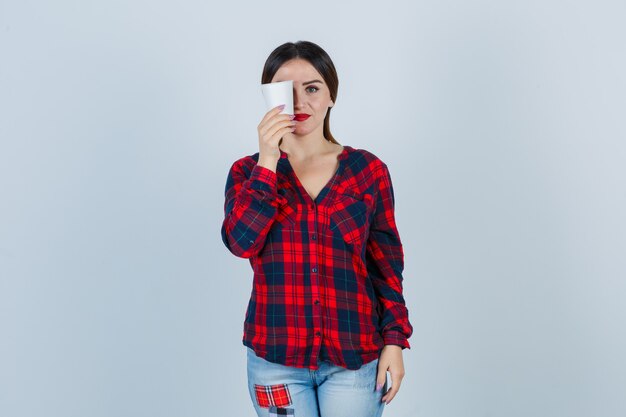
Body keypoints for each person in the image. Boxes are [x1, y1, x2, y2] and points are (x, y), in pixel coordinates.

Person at [220, 40, 413, 417]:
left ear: (331, 96)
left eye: (311, 88)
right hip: (275, 360)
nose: (299, 103)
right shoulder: (248, 173)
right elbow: (241, 243)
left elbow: (386, 267)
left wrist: (394, 341)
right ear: (267, 97)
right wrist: (268, 160)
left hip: (354, 359)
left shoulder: (367, 171)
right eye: (285, 91)